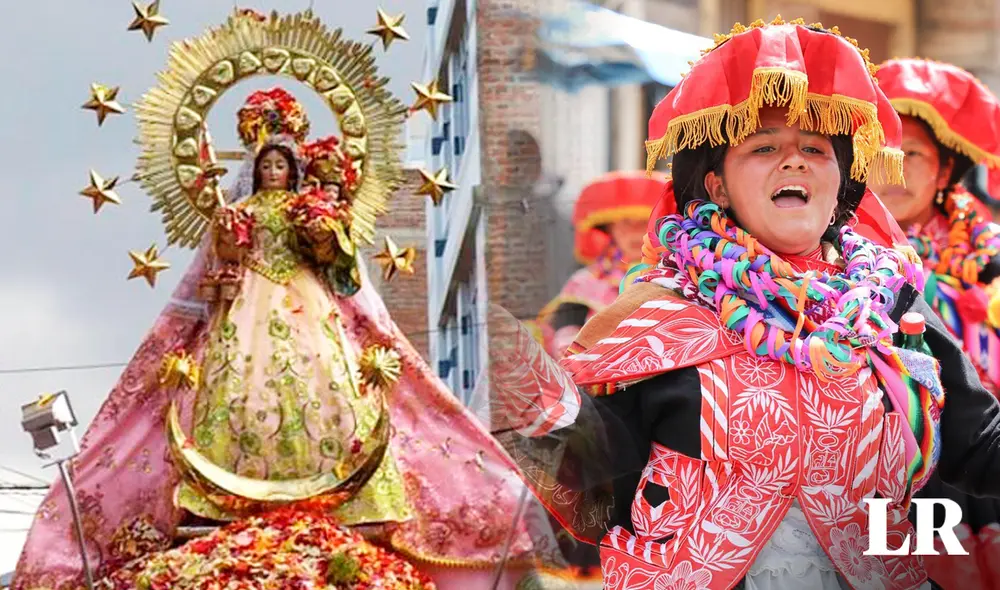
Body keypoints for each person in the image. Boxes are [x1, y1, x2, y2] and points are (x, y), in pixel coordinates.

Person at [487, 17, 1000, 590]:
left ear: (840, 186)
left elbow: (979, 444)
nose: (795, 161)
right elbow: (589, 488)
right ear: (717, 187)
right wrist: (510, 372)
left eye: (815, 148)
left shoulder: (890, 303)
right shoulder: (658, 316)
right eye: (764, 147)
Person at [12, 88, 562, 589]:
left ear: (294, 169)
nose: (273, 172)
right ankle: (229, 486)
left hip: (309, 307)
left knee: (326, 383)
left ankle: (333, 481)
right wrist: (228, 245)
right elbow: (213, 272)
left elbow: (343, 272)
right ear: (254, 169)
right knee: (238, 387)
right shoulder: (238, 212)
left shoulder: (309, 210)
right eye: (266, 164)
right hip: (244, 312)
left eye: (281, 164)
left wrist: (324, 232)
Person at [871, 57, 1000, 590]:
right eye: (882, 152)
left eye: (912, 154)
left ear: (944, 171)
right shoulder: (827, 264)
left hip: (980, 466)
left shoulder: (989, 260)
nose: (894, 169)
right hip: (879, 478)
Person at [532, 171, 667, 360]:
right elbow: (566, 336)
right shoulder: (586, 283)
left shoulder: (677, 277)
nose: (635, 232)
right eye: (626, 223)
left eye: (644, 222)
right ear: (609, 228)